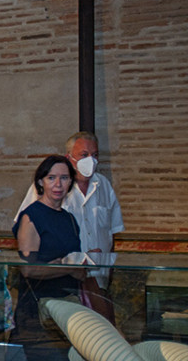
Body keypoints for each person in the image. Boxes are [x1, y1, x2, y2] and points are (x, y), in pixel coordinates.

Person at [16, 131, 124, 319]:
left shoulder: (103, 186)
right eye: (83, 155)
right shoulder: (45, 196)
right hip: (55, 287)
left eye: (95, 155)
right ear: (69, 157)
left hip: (96, 283)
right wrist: (75, 264)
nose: (90, 160)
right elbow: (28, 258)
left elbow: (112, 233)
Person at [12, 155, 83, 361]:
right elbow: (28, 270)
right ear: (41, 181)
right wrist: (67, 267)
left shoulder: (69, 218)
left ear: (71, 182)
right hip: (37, 312)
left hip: (67, 306)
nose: (58, 184)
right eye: (51, 177)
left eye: (64, 178)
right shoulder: (31, 216)